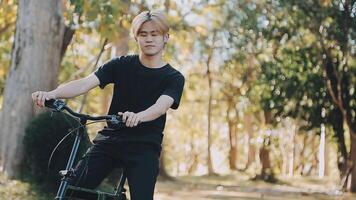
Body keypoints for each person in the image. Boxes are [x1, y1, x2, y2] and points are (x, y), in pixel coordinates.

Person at [31, 10, 185, 200]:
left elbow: (160, 107)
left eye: (155, 34)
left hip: (144, 147)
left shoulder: (173, 77)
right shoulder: (120, 65)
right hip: (110, 141)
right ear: (136, 38)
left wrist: (138, 116)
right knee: (72, 192)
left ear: (165, 37)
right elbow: (85, 83)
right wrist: (52, 94)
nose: (149, 39)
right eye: (143, 34)